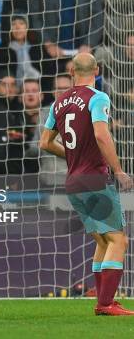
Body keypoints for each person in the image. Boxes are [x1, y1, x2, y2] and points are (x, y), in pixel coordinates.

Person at [40, 53, 134, 316]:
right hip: (94, 177)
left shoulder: (59, 103)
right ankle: (105, 303)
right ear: (97, 70)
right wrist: (119, 170)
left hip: (73, 181)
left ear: (72, 72)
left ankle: (102, 298)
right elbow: (101, 134)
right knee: (118, 240)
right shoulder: (98, 98)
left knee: (102, 242)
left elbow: (45, 142)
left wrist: (72, 154)